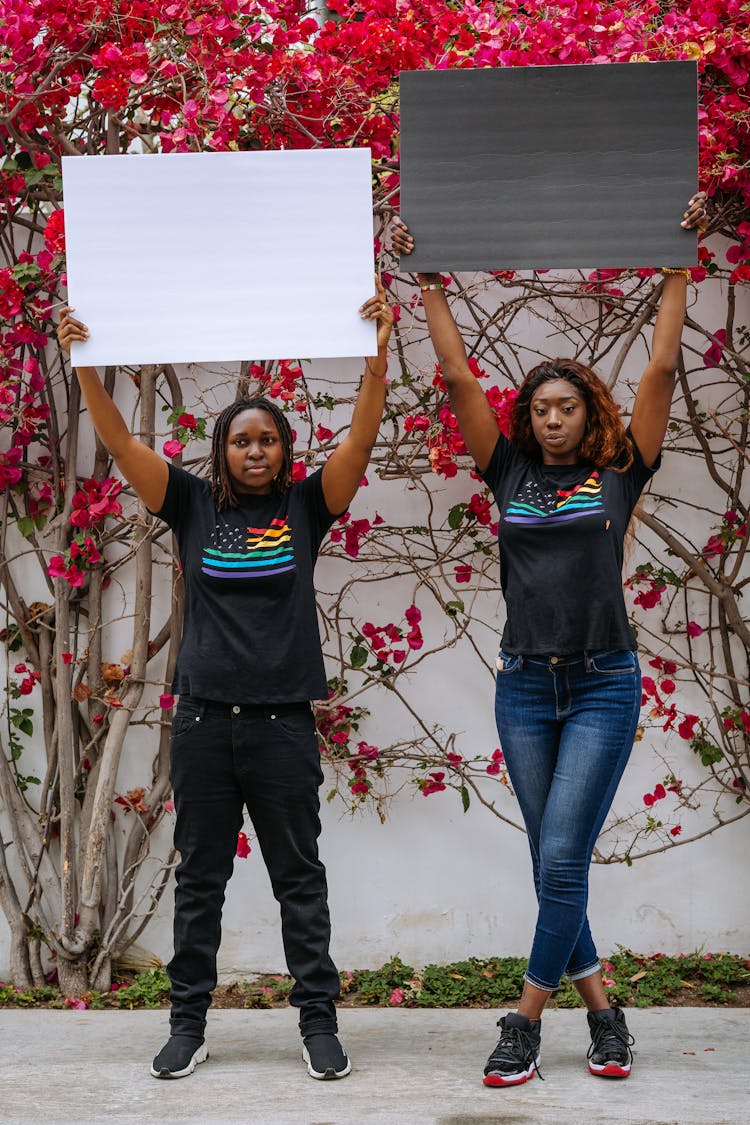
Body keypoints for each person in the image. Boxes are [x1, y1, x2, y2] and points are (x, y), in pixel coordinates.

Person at [393, 193, 707, 1086]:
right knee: (552, 857)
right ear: (527, 420)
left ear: (588, 413)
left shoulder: (619, 476)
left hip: (605, 681)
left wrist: (676, 270)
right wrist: (427, 279)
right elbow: (457, 375)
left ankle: (523, 1019)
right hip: (525, 684)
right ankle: (606, 1016)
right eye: (541, 409)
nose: (555, 419)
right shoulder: (510, 474)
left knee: (561, 854)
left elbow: (659, 371)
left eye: (568, 406)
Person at [56, 279, 393, 1081]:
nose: (254, 450)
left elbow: (361, 442)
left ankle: (318, 1024)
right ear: (222, 450)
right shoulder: (193, 505)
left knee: (298, 880)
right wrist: (86, 367)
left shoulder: (310, 507)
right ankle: (187, 1024)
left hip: (281, 725)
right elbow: (123, 444)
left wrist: (378, 356)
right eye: (241, 439)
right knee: (199, 879)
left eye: (267, 440)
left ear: (283, 450)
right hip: (205, 723)